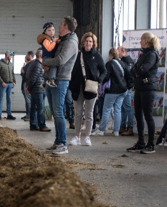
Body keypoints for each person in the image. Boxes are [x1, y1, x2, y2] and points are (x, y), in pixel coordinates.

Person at [42, 16, 79, 155]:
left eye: (61, 24)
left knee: (58, 112)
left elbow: (61, 60)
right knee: (55, 112)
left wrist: (45, 62)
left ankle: (63, 144)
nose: (59, 26)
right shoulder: (64, 40)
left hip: (61, 80)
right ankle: (58, 141)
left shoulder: (71, 42)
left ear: (67, 27)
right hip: (55, 78)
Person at [69, 32, 106, 146]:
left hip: (90, 88)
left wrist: (99, 80)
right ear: (83, 42)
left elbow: (104, 70)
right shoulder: (78, 54)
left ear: (93, 43)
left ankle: (87, 136)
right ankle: (77, 136)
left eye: (90, 41)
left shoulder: (97, 56)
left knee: (89, 113)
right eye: (86, 41)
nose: (88, 43)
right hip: (77, 87)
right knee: (78, 113)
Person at [127, 31, 160, 155]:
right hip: (140, 87)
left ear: (146, 41)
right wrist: (137, 71)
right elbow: (133, 70)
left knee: (148, 115)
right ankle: (141, 142)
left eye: (141, 39)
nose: (140, 42)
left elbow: (143, 69)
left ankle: (151, 144)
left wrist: (137, 71)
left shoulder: (152, 54)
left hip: (148, 88)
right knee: (138, 115)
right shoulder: (143, 54)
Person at [94, 47, 130, 137]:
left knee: (106, 109)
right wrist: (128, 87)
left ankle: (101, 130)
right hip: (123, 90)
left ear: (110, 55)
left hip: (112, 90)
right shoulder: (123, 63)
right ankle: (116, 131)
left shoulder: (109, 64)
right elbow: (129, 75)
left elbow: (105, 77)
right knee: (118, 110)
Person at [25, 49, 50, 132]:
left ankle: (33, 125)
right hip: (38, 89)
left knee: (34, 108)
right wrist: (29, 88)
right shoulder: (38, 65)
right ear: (41, 56)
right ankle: (42, 125)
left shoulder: (33, 64)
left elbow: (29, 76)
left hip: (36, 90)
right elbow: (34, 78)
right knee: (40, 108)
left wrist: (29, 87)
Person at [117, 45, 135, 136]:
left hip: (126, 87)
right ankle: (123, 126)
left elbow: (129, 76)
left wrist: (128, 86)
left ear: (123, 51)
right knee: (124, 107)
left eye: (118, 50)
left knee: (127, 107)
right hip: (126, 87)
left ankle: (130, 127)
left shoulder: (125, 61)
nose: (117, 52)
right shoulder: (130, 60)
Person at [0, 51, 16, 120]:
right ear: (7, 55)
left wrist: (14, 81)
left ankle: (9, 114)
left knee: (9, 99)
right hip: (3, 84)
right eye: (11, 56)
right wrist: (2, 82)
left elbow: (12, 73)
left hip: (10, 84)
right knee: (1, 99)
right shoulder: (0, 63)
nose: (11, 57)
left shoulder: (11, 64)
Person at [37, 22, 58, 88]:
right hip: (47, 57)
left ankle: (44, 82)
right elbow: (49, 48)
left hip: (49, 57)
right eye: (49, 30)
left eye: (53, 30)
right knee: (54, 66)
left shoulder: (52, 38)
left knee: (48, 69)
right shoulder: (45, 39)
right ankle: (51, 80)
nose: (51, 32)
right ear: (45, 31)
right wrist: (54, 42)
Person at [20, 51, 34, 122]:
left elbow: (23, 70)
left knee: (29, 101)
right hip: (24, 83)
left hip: (27, 84)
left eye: (26, 56)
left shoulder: (31, 64)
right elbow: (22, 72)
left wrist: (23, 68)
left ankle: (31, 116)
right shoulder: (27, 64)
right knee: (27, 100)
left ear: (30, 56)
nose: (25, 57)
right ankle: (28, 114)